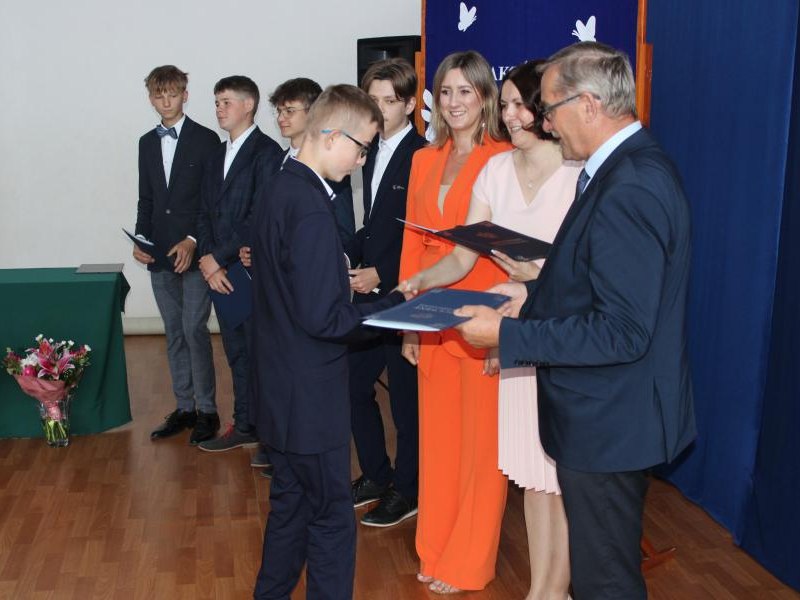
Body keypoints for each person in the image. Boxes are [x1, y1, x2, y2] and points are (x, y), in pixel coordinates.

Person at [454, 42, 696, 599]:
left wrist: (508, 334)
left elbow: (623, 331)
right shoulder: (622, 169)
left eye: (550, 108)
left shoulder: (631, 184)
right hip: (606, 415)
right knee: (597, 575)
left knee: (603, 582)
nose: (545, 123)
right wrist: (529, 296)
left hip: (612, 421)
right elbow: (595, 284)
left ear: (589, 105)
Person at [401, 60, 579, 599]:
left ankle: (550, 586)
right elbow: (461, 256)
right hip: (503, 328)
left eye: (519, 104)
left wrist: (529, 287)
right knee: (531, 472)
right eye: (507, 104)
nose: (512, 114)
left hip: (550, 332)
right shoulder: (495, 171)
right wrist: (418, 285)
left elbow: (588, 268)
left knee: (557, 476)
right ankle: (543, 589)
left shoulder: (578, 173)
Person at [249, 84, 408, 600]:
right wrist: (396, 307)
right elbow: (327, 319)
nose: (362, 160)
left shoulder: (280, 186)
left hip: (279, 387)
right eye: (361, 148)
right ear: (333, 135)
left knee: (290, 507)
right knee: (332, 520)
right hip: (310, 397)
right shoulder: (312, 207)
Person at [397, 50, 511, 594]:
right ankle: (436, 548)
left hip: (484, 312)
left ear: (486, 97)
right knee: (439, 443)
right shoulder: (424, 159)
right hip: (431, 314)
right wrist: (408, 322)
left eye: (465, 91)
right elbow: (411, 244)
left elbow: (506, 250)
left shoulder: (504, 158)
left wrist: (506, 330)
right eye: (445, 91)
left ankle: (468, 562)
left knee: (480, 448)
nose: (453, 101)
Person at [344, 58, 427, 528]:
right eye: (372, 100)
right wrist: (347, 253)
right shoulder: (371, 150)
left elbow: (424, 237)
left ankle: (409, 490)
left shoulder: (422, 154)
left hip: (405, 295)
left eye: (389, 101)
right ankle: (378, 475)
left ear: (411, 104)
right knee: (353, 387)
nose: (379, 109)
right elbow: (375, 225)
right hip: (372, 294)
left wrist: (384, 272)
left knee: (405, 404)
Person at [195, 75, 283, 452]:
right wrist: (208, 261)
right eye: (216, 102)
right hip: (219, 272)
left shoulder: (267, 153)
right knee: (235, 353)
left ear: (249, 105)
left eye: (226, 102)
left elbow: (257, 216)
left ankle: (268, 432)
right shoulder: (216, 154)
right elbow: (203, 212)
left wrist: (219, 257)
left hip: (247, 270)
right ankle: (245, 423)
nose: (219, 109)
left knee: (259, 355)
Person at [135, 65, 221, 445]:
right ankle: (184, 407)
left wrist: (192, 240)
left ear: (185, 95)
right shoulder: (145, 143)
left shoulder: (207, 139)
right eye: (159, 95)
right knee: (173, 332)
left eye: (173, 93)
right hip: (159, 254)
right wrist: (141, 238)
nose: (166, 101)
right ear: (151, 99)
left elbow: (212, 201)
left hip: (196, 252)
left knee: (193, 329)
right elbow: (147, 198)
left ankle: (208, 411)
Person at [270, 77, 356, 246]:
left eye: (289, 111)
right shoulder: (274, 162)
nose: (281, 118)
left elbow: (344, 230)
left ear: (313, 113)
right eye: (279, 111)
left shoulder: (330, 166)